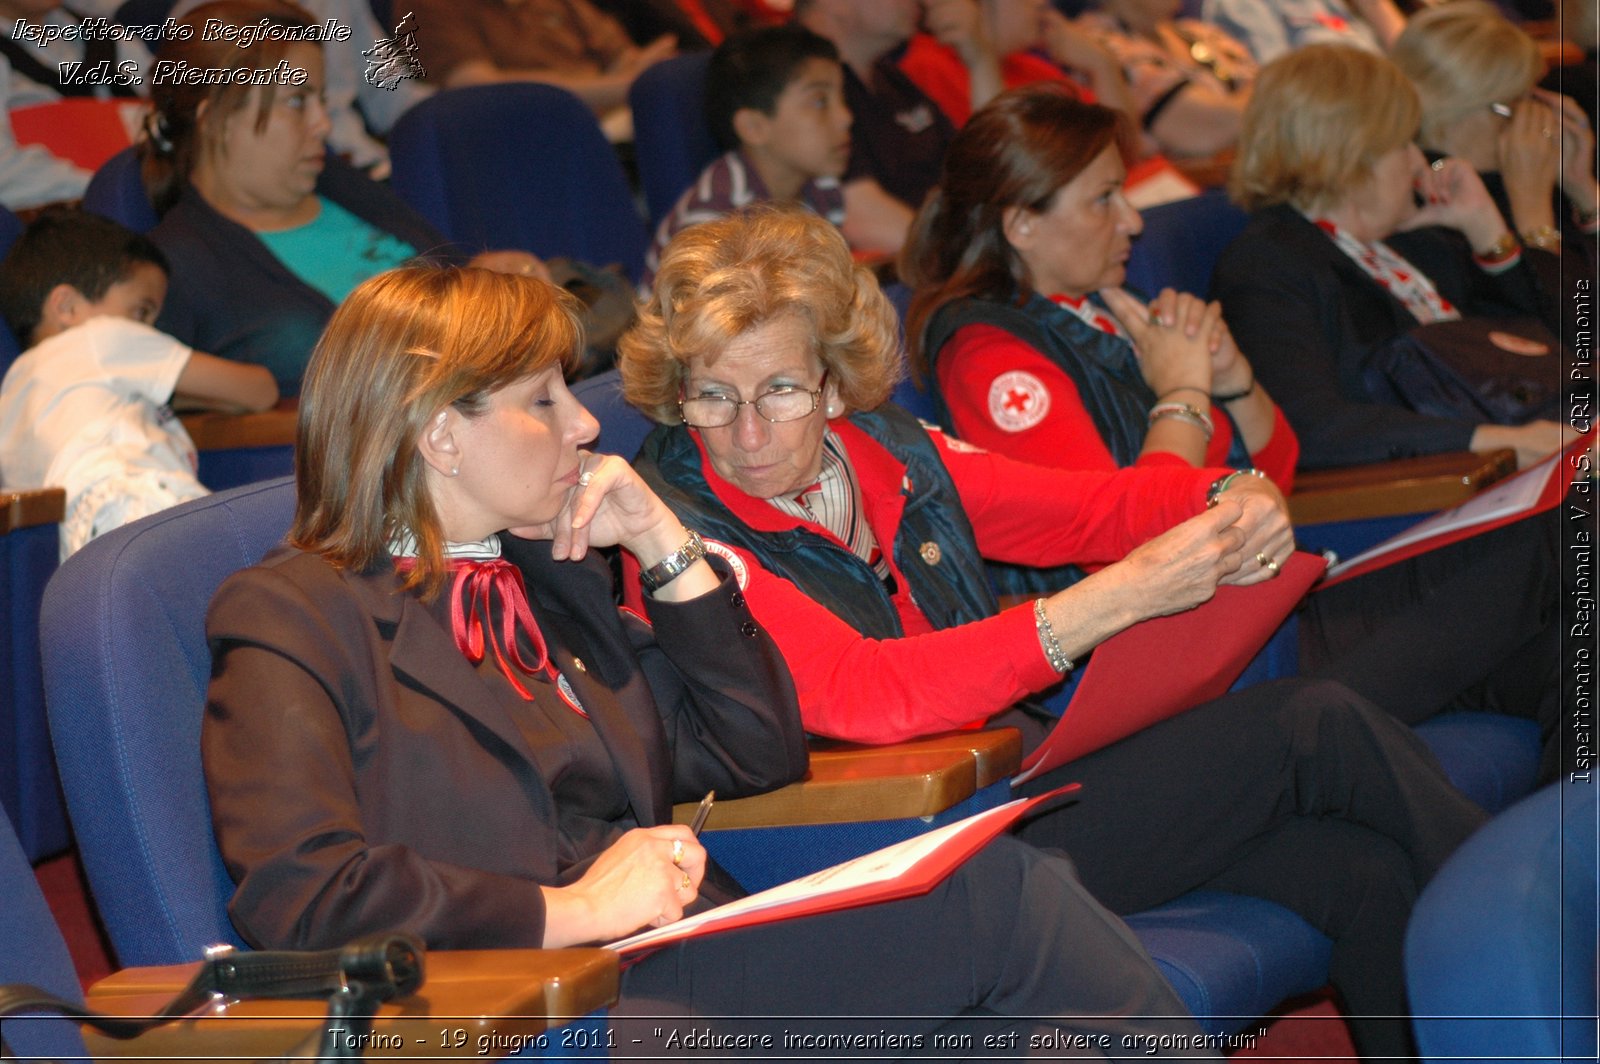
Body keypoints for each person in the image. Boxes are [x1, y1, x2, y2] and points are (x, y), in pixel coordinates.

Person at [202, 262, 1214, 1059]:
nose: (587, 423)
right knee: (1004, 893)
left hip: (675, 966)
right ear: (438, 435)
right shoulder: (294, 613)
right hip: (535, 1007)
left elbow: (752, 753)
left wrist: (665, 546)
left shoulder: (553, 575)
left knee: (1037, 1045)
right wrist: (571, 909)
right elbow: (302, 892)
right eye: (543, 400)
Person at [619, 205, 1490, 1059]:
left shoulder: (883, 445)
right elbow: (868, 691)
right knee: (1314, 726)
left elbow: (1081, 512)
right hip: (908, 845)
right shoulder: (673, 531)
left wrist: (1224, 494)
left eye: (780, 390)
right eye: (712, 398)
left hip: (1016, 784)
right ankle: (1531, 937)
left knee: (1359, 875)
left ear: (835, 386)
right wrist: (1115, 602)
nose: (749, 433)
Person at [901, 85, 1569, 782]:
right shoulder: (990, 354)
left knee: (1565, 657)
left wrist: (1232, 378)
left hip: (1257, 610)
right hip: (1193, 664)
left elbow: (1280, 470)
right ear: (1021, 225)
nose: (1131, 221)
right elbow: (1125, 540)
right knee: (1562, 538)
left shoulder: (1094, 307)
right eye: (1103, 200)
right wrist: (1183, 391)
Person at [143, 1, 546, 395]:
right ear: (215, 120)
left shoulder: (339, 183)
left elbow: (448, 279)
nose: (323, 124)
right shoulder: (178, 263)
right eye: (297, 102)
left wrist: (487, 277)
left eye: (321, 100)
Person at [1211, 44, 1577, 472]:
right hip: (1430, 491)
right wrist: (1501, 443)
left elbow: (1564, 337)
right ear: (1351, 157)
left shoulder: (1409, 240)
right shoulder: (1270, 266)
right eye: (1403, 144)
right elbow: (1310, 428)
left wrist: (1486, 230)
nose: (1420, 161)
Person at [0, 209, 277, 559]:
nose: (150, 332)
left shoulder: (13, 387)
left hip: (82, 548)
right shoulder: (102, 338)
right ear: (66, 306)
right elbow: (257, 390)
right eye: (140, 312)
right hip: (133, 496)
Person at [1390, 1, 1597, 334]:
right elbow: (1578, 336)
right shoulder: (1426, 208)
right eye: (1516, 102)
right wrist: (1534, 219)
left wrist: (1585, 193)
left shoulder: (1509, 178)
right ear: (1455, 108)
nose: (1532, 119)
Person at [641, 25, 850, 289]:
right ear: (754, 127)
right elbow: (700, 322)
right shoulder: (715, 218)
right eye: (820, 101)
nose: (846, 118)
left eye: (842, 98)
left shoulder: (824, 191)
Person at [408, 0, 675, 138]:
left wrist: (643, 70)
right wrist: (622, 87)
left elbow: (621, 55)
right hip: (533, 136)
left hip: (611, 119)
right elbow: (474, 86)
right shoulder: (432, 6)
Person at [0, 0, 151, 210]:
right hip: (51, 221)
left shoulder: (110, 36)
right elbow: (4, 174)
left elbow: (170, 115)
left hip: (140, 196)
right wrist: (111, 188)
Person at [1075, 0, 1256, 158]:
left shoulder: (1197, 32)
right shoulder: (1096, 43)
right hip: (1180, 188)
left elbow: (1274, 98)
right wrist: (1250, 102)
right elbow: (1205, 128)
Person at [1201, 0, 1406, 64]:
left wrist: (1376, 7)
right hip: (1333, 140)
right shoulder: (1239, 4)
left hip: (1384, 123)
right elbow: (1283, 92)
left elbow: (1420, 69)